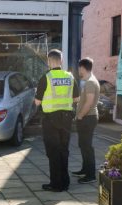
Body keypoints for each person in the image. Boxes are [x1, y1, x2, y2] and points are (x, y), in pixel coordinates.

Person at [34, 49, 80, 192]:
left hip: (50, 120)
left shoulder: (46, 77)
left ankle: (56, 184)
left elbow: (37, 102)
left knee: (53, 152)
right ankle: (65, 183)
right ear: (61, 61)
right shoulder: (70, 77)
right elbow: (76, 99)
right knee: (63, 151)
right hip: (66, 119)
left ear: (49, 61)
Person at [72, 58, 100, 184]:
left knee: (87, 146)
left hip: (87, 118)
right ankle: (85, 169)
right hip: (87, 118)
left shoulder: (90, 83)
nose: (79, 71)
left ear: (83, 68)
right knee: (83, 145)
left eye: (79, 68)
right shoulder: (90, 81)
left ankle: (90, 175)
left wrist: (80, 116)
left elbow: (89, 102)